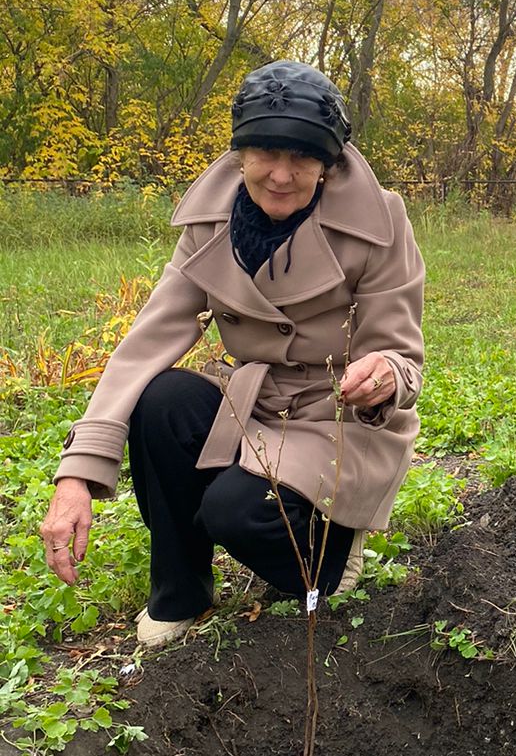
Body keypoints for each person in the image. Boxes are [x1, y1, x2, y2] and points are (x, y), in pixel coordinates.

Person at [40, 61, 425, 648]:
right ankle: (181, 589)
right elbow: (150, 336)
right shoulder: (210, 219)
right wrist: (80, 470)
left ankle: (329, 553)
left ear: (330, 162)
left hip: (332, 417)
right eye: (265, 152)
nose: (281, 174)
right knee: (161, 400)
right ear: (239, 151)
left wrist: (384, 377)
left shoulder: (378, 221)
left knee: (234, 511)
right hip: (254, 399)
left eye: (303, 158)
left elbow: (400, 350)